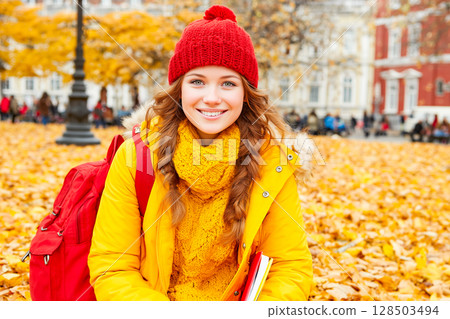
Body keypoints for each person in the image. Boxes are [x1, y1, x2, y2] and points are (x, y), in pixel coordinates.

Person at [88, 5, 313, 301]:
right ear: (179, 88)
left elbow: (290, 268)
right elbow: (112, 265)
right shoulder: (137, 156)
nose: (211, 98)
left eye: (228, 84)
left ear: (246, 94)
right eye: (197, 81)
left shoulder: (272, 162)